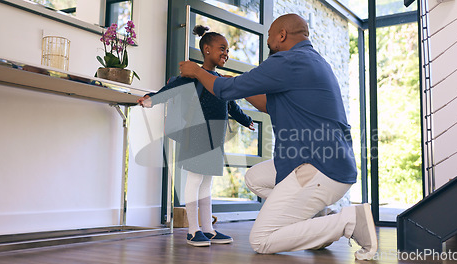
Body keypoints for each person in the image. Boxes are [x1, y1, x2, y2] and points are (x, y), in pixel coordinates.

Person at [178, 14, 378, 260]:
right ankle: (317, 219)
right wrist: (237, 86)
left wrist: (197, 72)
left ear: (281, 35)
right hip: (325, 163)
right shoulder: (311, 61)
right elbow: (267, 105)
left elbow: (224, 90)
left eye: (270, 36)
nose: (269, 42)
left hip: (319, 168)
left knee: (261, 239)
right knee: (254, 178)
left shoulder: (287, 61)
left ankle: (348, 221)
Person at [137, 25, 254, 247]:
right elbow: (170, 90)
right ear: (207, 49)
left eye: (228, 51)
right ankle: (193, 230)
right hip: (197, 132)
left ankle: (208, 229)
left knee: (207, 183)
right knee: (195, 180)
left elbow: (231, 105)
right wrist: (150, 99)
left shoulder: (220, 80)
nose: (226, 54)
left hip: (216, 134)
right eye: (222, 49)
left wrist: (246, 120)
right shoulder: (194, 76)